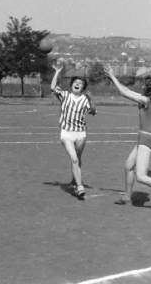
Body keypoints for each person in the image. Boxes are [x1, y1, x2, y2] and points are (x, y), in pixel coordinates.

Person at [104, 64, 151, 212]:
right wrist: (115, 79)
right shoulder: (149, 99)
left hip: (146, 140)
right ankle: (127, 197)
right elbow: (126, 90)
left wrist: (113, 77)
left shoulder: (146, 101)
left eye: (144, 84)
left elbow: (124, 94)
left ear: (148, 87)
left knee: (141, 176)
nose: (142, 86)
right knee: (128, 166)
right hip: (145, 139)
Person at [50, 64, 97, 200]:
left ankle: (73, 181)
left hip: (81, 134)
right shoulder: (64, 96)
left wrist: (91, 100)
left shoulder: (85, 100)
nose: (77, 84)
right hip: (67, 133)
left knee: (78, 159)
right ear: (72, 85)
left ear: (83, 88)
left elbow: (93, 111)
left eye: (80, 83)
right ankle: (79, 186)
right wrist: (57, 72)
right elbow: (53, 88)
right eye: (75, 82)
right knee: (74, 158)